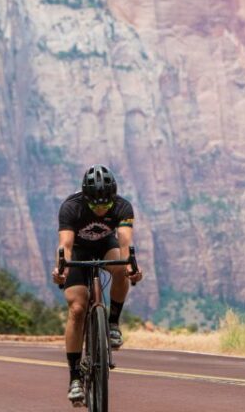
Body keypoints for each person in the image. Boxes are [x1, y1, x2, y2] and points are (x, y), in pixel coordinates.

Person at [51, 164, 144, 405]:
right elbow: (66, 246)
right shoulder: (71, 207)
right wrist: (61, 269)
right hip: (79, 252)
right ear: (86, 198)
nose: (101, 209)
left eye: (106, 204)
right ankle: (74, 378)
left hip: (106, 246)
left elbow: (124, 243)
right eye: (95, 205)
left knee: (121, 269)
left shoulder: (123, 206)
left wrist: (132, 267)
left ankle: (112, 323)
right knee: (77, 308)